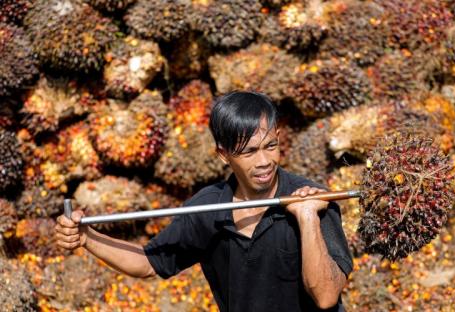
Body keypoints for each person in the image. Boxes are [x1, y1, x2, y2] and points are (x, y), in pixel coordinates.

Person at [55, 91, 353, 311]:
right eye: (249, 152)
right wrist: (86, 237)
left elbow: (326, 296)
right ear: (223, 154)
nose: (264, 161)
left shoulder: (315, 201)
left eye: (270, 146)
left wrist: (307, 218)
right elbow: (148, 263)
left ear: (278, 137)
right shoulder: (208, 209)